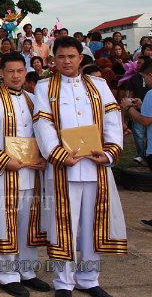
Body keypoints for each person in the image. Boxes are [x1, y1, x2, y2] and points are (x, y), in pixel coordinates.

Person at [34, 36, 126, 297]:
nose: (66, 61)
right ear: (54, 59)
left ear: (80, 58)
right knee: (64, 224)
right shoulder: (45, 87)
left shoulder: (98, 85)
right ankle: (64, 282)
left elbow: (111, 117)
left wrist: (110, 151)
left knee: (92, 225)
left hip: (96, 166)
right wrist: (57, 153)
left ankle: (89, 278)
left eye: (71, 56)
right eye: (61, 57)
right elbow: (43, 124)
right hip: (64, 168)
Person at [0, 52, 50, 296]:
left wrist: (43, 157)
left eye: (20, 71)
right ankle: (7, 275)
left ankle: (27, 271)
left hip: (32, 174)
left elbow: (43, 135)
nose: (16, 76)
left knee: (28, 223)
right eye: (11, 72)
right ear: (2, 73)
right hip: (6, 174)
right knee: (5, 224)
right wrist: (4, 161)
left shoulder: (32, 99)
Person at [123, 59, 152, 168]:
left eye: (145, 78)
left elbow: (145, 120)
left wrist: (128, 107)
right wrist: (142, 105)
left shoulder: (150, 94)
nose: (145, 81)